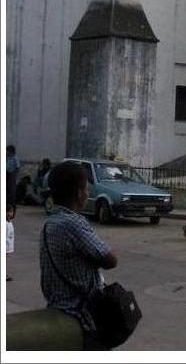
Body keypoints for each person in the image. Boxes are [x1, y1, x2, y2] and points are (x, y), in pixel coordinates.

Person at [40, 160, 118, 350]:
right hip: (80, 313)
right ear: (78, 193)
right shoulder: (74, 224)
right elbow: (110, 260)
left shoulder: (50, 222)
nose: (88, 193)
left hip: (56, 305)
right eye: (86, 188)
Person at [6, 145, 21, 209]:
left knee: (11, 189)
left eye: (7, 151)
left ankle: (12, 203)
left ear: (11, 152)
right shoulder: (8, 158)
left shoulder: (15, 158)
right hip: (7, 173)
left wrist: (14, 174)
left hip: (12, 174)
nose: (6, 152)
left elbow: (17, 167)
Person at [6, 205, 15, 281]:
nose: (9, 214)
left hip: (8, 247)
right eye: (8, 212)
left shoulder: (9, 222)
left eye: (11, 212)